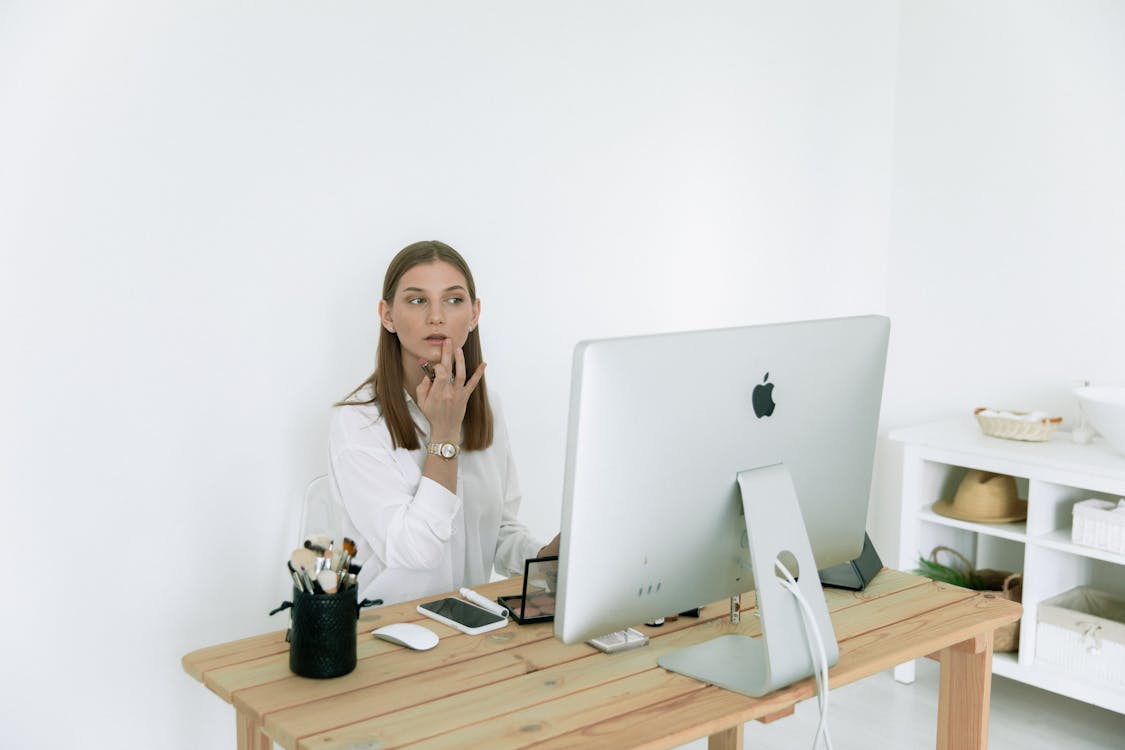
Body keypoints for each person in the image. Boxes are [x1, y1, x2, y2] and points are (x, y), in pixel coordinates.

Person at [329, 240, 560, 605]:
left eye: (453, 300)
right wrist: (446, 432)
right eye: (417, 300)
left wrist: (548, 560)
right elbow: (416, 551)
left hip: (464, 627)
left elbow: (494, 530)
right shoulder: (358, 421)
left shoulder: (489, 408)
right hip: (386, 632)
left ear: (474, 313)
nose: (436, 316)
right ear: (387, 315)